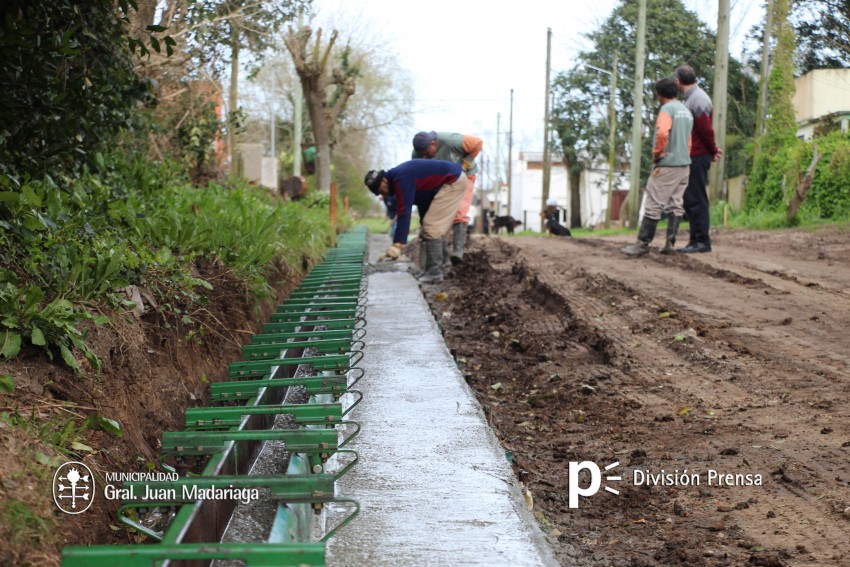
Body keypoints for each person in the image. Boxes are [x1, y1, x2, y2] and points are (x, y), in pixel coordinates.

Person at [621, 78, 693, 257]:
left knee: (653, 203)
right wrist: (685, 154)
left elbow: (662, 132)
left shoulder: (667, 110)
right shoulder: (686, 111)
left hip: (668, 164)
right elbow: (689, 140)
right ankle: (670, 244)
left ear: (659, 95)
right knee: (676, 203)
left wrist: (658, 153)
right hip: (684, 165)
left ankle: (642, 244)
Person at [364, 159, 467, 283]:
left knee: (432, 227)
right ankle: (443, 266)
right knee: (429, 227)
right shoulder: (399, 178)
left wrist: (398, 243)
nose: (383, 194)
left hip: (453, 181)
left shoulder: (401, 179)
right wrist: (423, 223)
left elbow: (404, 211)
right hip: (449, 181)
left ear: (384, 181)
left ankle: (435, 273)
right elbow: (423, 200)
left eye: (381, 190)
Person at [412, 130, 483, 264]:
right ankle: (444, 260)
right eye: (422, 155)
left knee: (460, 212)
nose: (425, 157)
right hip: (443, 180)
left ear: (433, 144)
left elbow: (477, 143)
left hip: (465, 175)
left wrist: (465, 163)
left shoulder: (451, 141)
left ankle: (458, 252)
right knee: (438, 217)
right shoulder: (417, 155)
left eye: (427, 153)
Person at [675, 65, 723, 253]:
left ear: (678, 81)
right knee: (690, 200)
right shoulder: (691, 99)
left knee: (697, 200)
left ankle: (702, 241)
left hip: (697, 156)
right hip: (692, 155)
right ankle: (695, 240)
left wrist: (712, 150)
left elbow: (705, 129)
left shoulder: (698, 99)